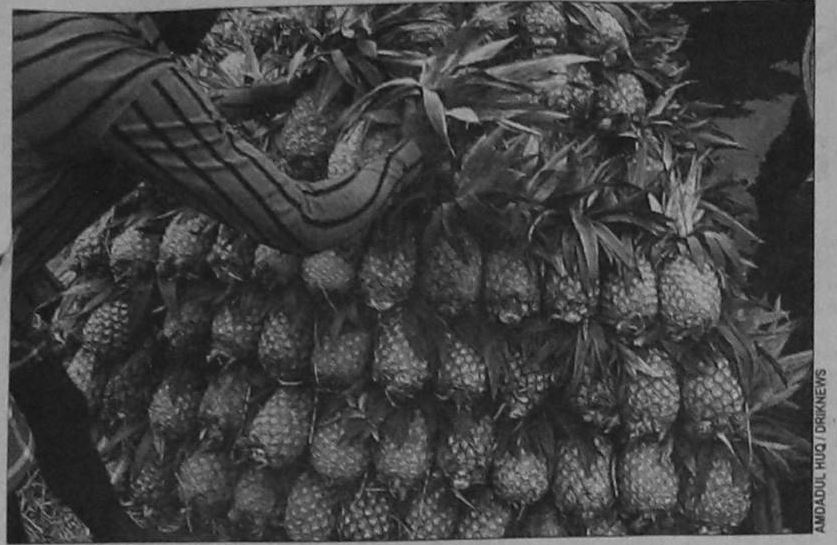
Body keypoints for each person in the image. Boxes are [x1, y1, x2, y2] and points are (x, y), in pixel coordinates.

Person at [8, 9, 423, 542]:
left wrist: (259, 99)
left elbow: (146, 115)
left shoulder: (68, 26)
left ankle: (117, 532)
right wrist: (408, 153)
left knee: (54, 403)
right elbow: (303, 219)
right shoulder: (127, 76)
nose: (215, 15)